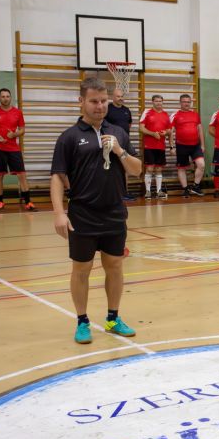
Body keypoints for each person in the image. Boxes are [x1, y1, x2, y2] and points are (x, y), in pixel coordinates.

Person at [50, 77, 142, 344]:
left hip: (114, 213)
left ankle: (113, 318)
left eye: (103, 101)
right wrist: (59, 213)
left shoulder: (119, 133)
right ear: (81, 101)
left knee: (114, 266)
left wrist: (119, 150)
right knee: (82, 269)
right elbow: (57, 177)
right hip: (82, 214)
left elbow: (136, 170)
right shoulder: (69, 137)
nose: (100, 106)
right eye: (93, 101)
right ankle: (82, 321)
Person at [0, 88, 35, 211]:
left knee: (22, 175)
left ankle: (28, 202)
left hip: (13, 149)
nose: (5, 98)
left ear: (10, 97)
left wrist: (14, 135)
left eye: (7, 96)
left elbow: (22, 129)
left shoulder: (17, 112)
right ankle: (0, 202)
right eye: (3, 96)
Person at [105, 87, 136, 202]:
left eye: (122, 96)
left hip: (124, 143)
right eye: (118, 96)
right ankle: (110, 193)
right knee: (110, 168)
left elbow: (129, 125)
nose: (120, 98)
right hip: (111, 144)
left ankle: (123, 192)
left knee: (125, 168)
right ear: (112, 97)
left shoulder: (127, 110)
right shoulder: (107, 109)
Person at [170, 94, 205, 197]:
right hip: (181, 146)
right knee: (182, 168)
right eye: (184, 102)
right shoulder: (175, 115)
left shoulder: (195, 114)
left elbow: (200, 130)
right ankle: (185, 189)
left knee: (201, 165)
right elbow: (170, 132)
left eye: (188, 102)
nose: (186, 104)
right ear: (180, 103)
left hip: (195, 145)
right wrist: (172, 147)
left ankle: (195, 186)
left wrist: (202, 145)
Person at [139, 95, 171, 200]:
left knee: (158, 169)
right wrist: (153, 134)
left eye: (160, 101)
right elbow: (141, 128)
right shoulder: (147, 112)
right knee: (149, 168)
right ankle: (148, 191)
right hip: (149, 145)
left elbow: (170, 130)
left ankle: (159, 191)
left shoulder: (166, 114)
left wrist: (165, 132)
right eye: (156, 101)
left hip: (160, 146)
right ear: (152, 102)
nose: (159, 103)